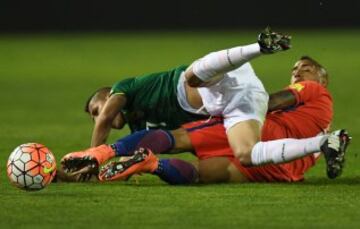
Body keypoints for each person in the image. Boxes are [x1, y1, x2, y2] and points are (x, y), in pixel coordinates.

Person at [60, 56, 351, 184]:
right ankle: (151, 165)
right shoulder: (323, 115)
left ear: (322, 79)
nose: (298, 73)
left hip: (260, 132)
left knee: (179, 138)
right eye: (294, 70)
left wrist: (232, 107)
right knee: (202, 173)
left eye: (306, 68)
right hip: (282, 170)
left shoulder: (314, 91)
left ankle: (102, 154)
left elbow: (270, 102)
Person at [85, 27, 290, 147]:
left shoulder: (125, 88)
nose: (97, 118)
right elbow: (124, 163)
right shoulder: (139, 129)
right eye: (94, 116)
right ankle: (310, 108)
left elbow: (105, 118)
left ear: (108, 94)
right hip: (226, 105)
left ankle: (258, 47)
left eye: (96, 110)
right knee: (249, 146)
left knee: (193, 78)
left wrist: (92, 156)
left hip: (218, 78)